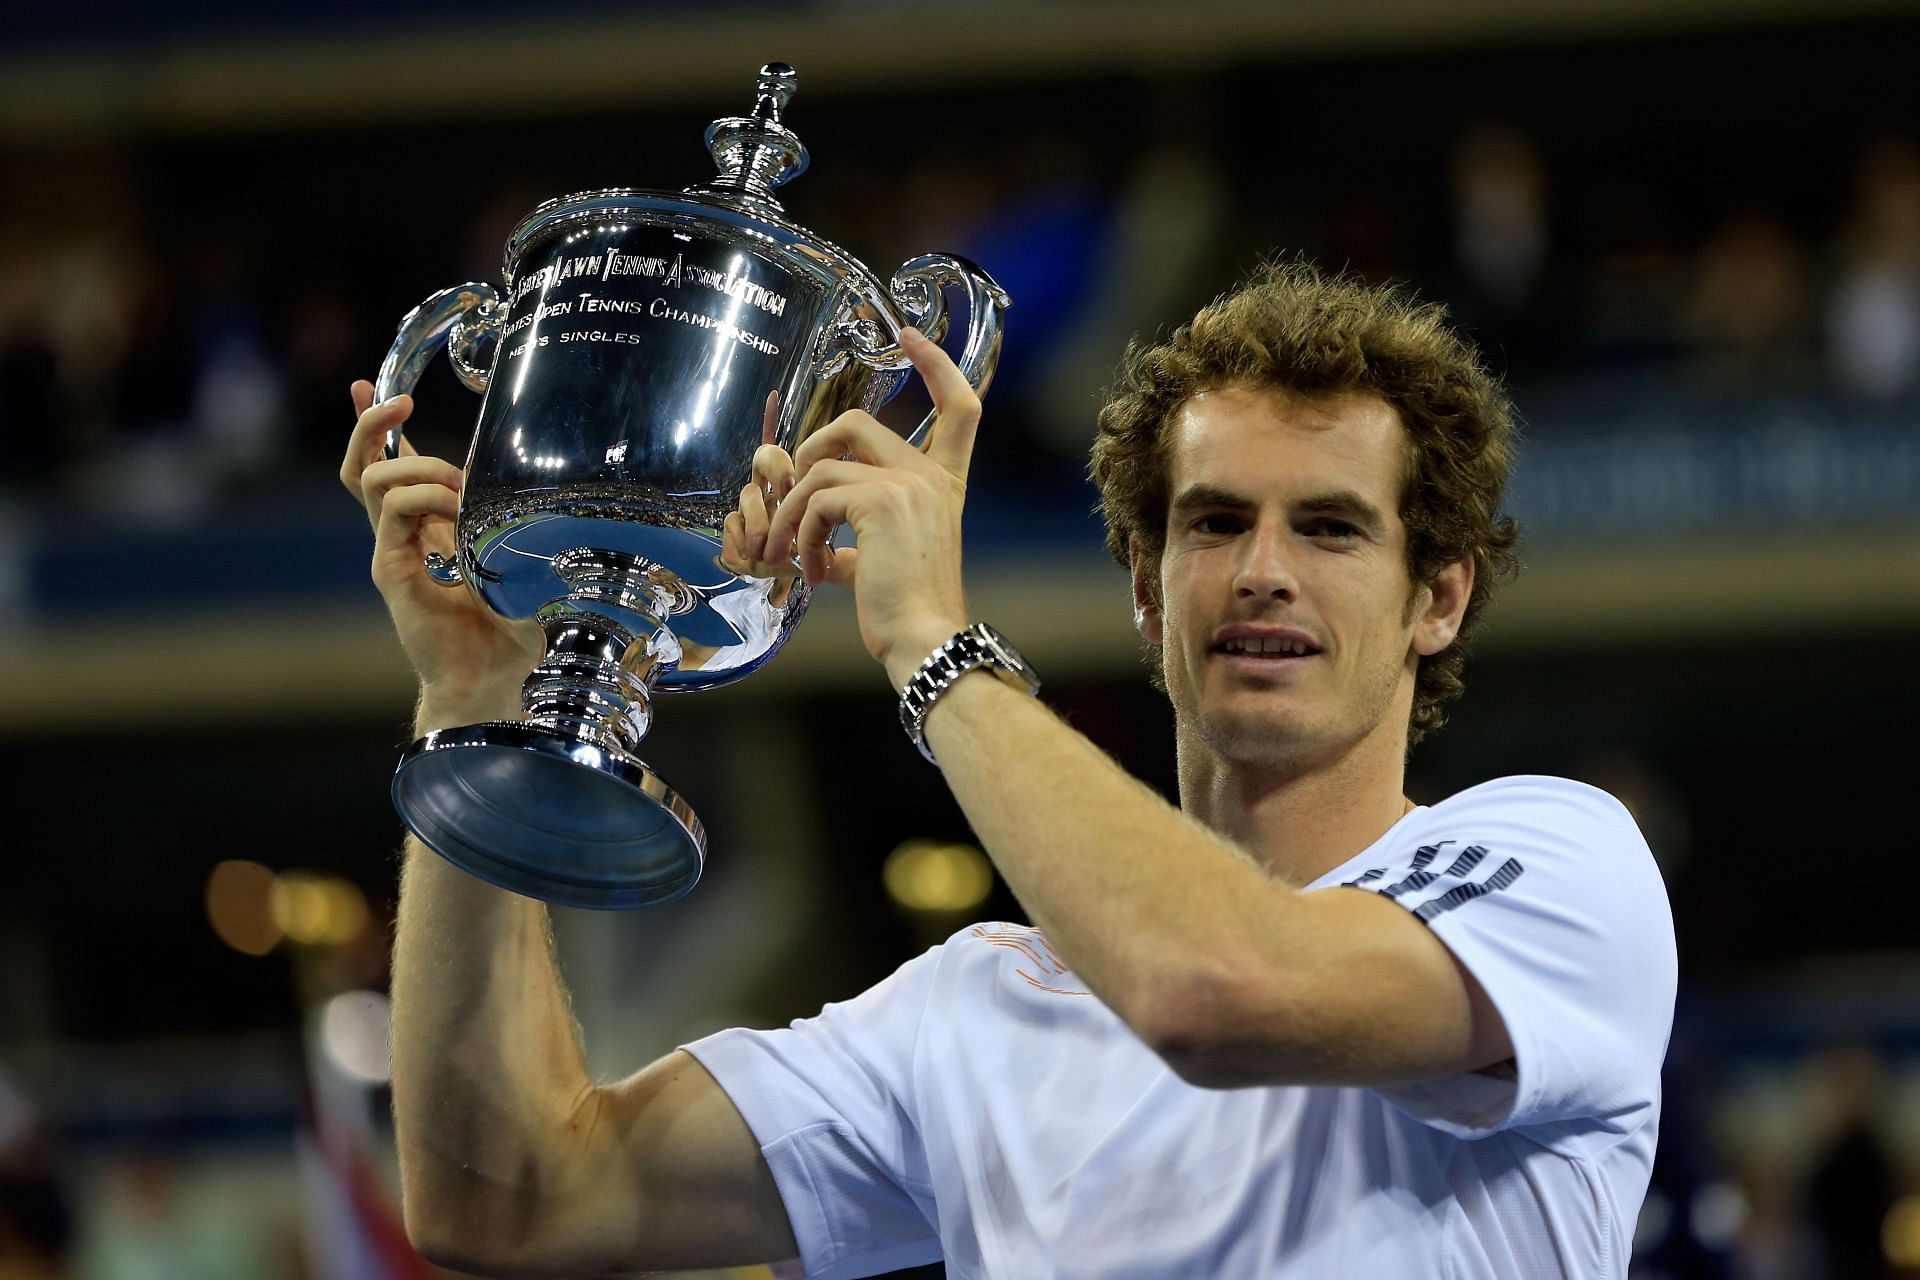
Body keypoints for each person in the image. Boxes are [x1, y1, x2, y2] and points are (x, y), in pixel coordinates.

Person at [341, 260, 1676, 1278]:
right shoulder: (976, 1012)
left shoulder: (1554, 865)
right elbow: (505, 1195)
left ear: (1439, 598)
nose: (1264, 569)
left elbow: (1214, 990)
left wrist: (929, 640)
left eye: (1330, 527)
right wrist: (474, 701)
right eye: (1216, 523)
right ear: (1148, 587)